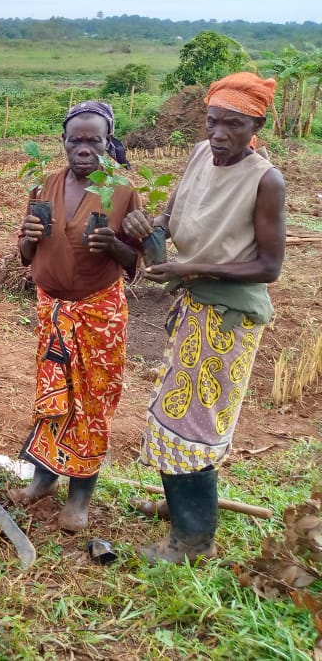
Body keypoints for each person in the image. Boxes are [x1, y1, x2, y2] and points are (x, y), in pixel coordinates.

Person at [122, 72, 286, 562]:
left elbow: (269, 266)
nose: (218, 134)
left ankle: (194, 540)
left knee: (191, 420)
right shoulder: (198, 155)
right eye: (212, 121)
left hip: (229, 315)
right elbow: (168, 220)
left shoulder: (265, 180)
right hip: (194, 303)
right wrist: (146, 228)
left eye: (232, 125)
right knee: (176, 411)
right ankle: (182, 510)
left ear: (254, 125)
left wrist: (193, 266)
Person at [9, 102, 140, 532]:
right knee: (54, 400)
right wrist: (28, 240)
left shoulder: (121, 191)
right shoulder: (46, 186)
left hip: (97, 313)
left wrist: (114, 246)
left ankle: (80, 497)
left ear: (108, 144)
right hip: (53, 313)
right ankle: (44, 479)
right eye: (75, 140)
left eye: (94, 141)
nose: (84, 148)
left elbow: (136, 262)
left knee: (90, 404)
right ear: (63, 143)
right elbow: (27, 255)